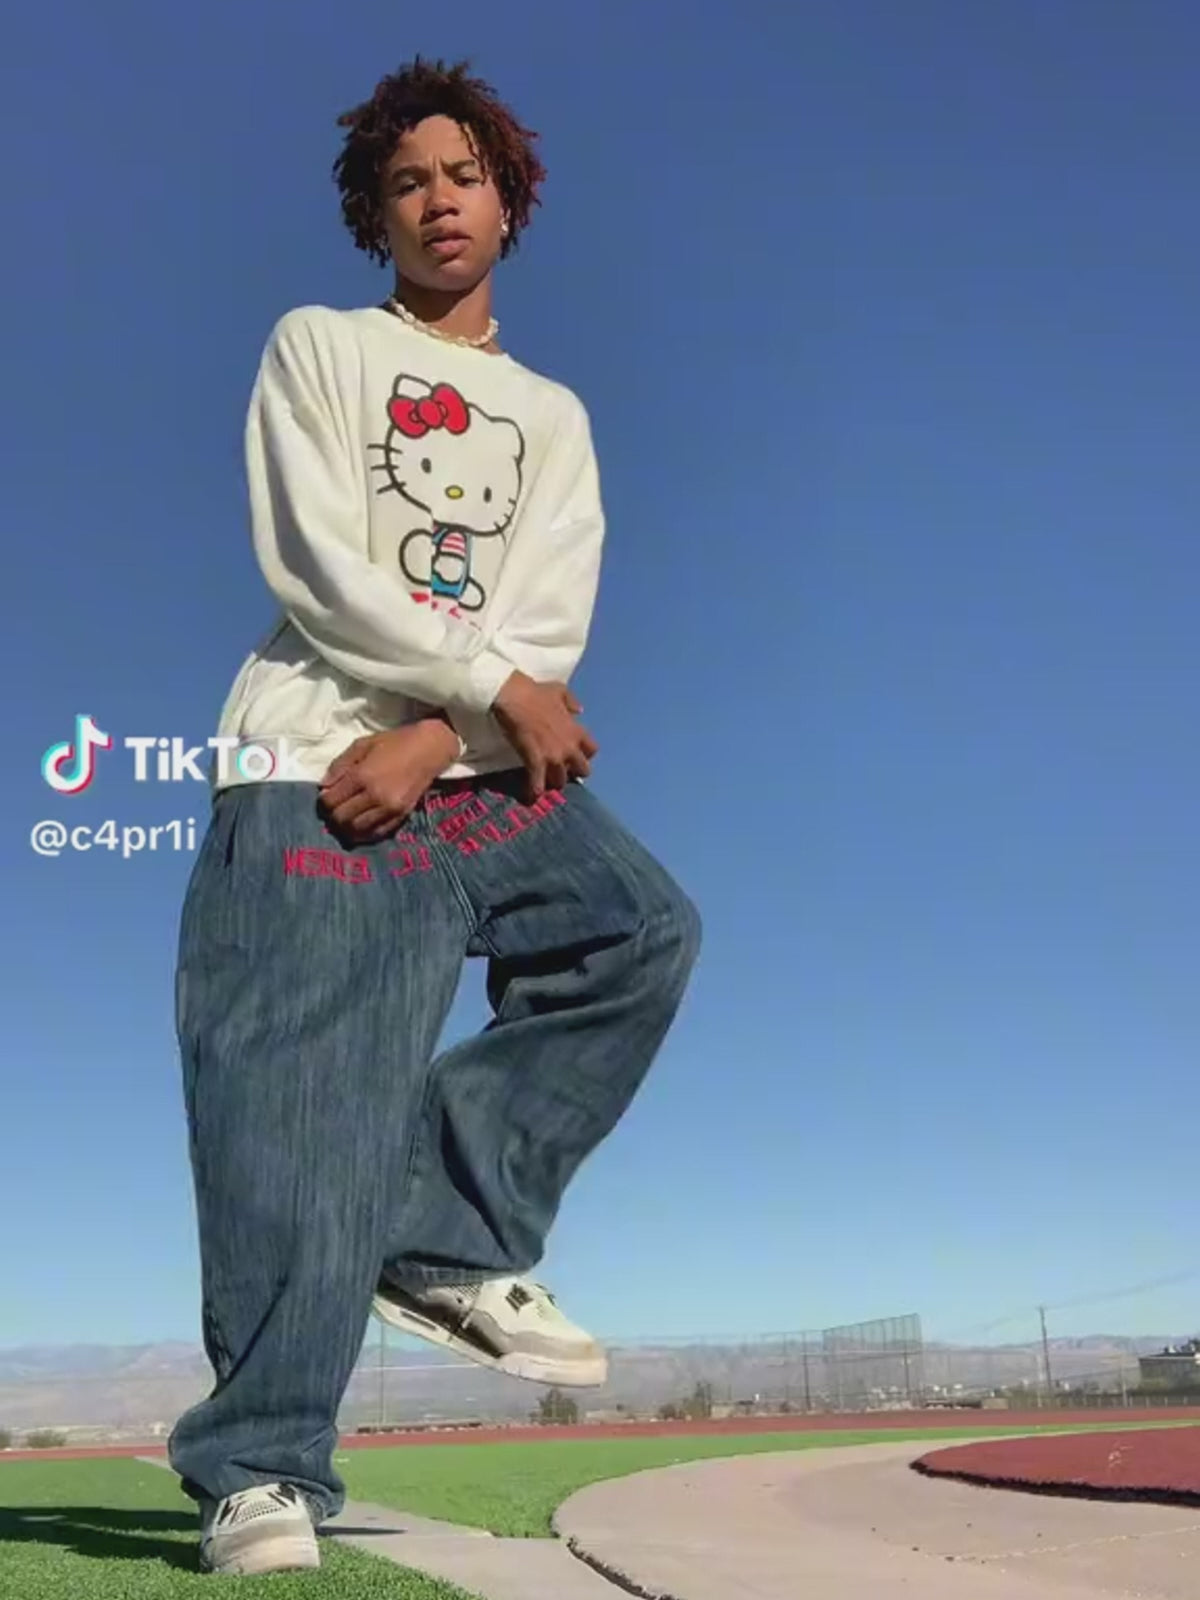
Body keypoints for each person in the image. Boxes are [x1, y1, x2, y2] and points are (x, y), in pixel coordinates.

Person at [168, 57, 701, 1577]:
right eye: (407, 182)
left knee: (636, 928)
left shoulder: (552, 415)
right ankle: (260, 1469)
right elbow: (316, 561)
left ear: (508, 202)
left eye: (464, 175)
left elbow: (549, 615)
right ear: (375, 214)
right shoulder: (321, 347)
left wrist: (438, 729)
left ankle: (439, 1232)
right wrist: (462, 694)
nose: (438, 200)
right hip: (311, 769)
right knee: (295, 1117)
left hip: (461, 777)